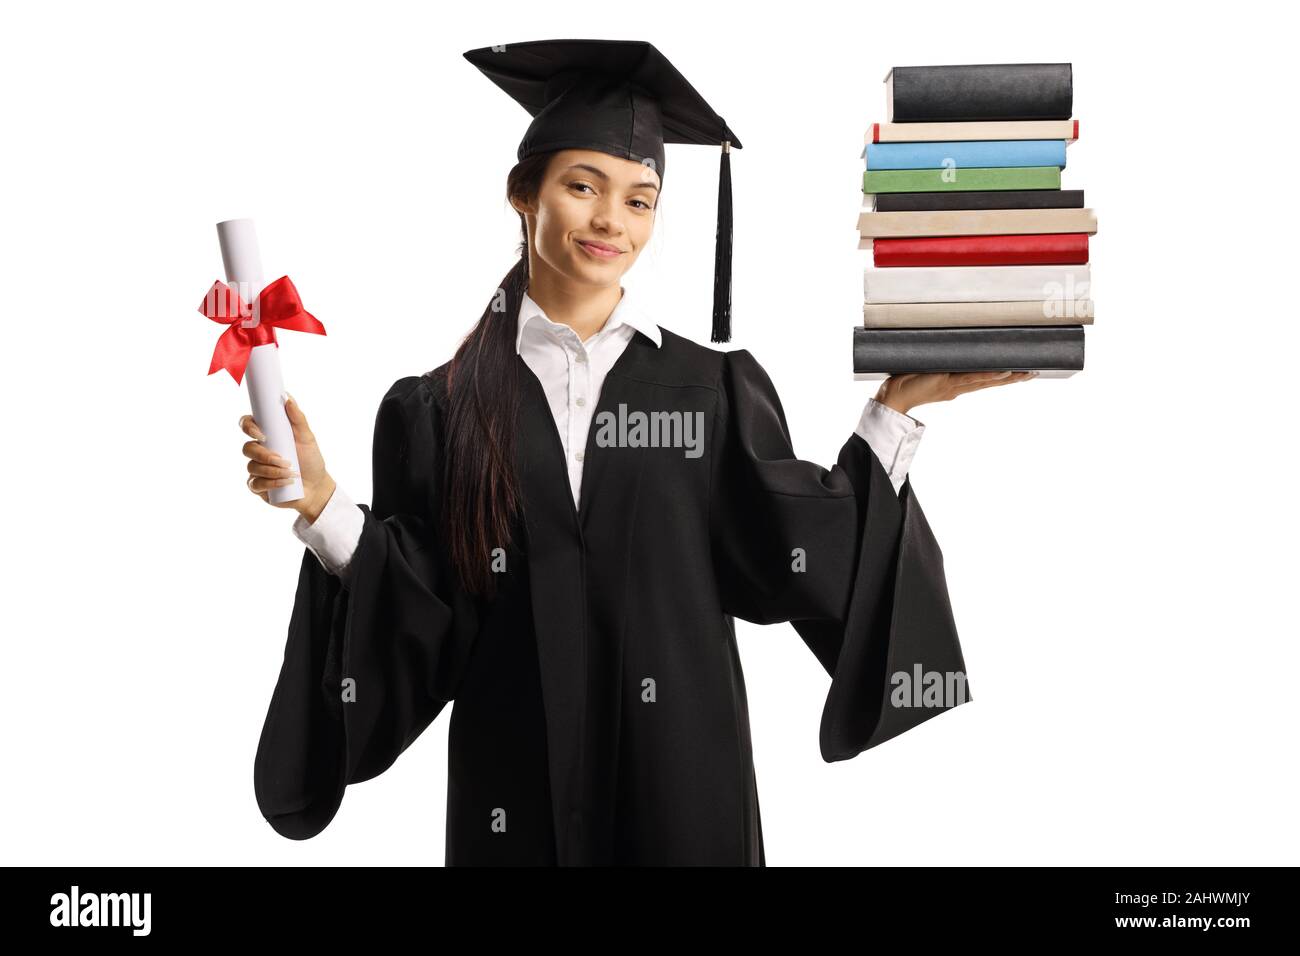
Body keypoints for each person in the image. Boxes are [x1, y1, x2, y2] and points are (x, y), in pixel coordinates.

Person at [241, 39, 1034, 866]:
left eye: (640, 199)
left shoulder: (711, 389)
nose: (611, 220)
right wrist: (323, 505)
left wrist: (894, 414)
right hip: (515, 799)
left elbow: (795, 543)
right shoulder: (437, 407)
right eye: (582, 186)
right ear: (524, 194)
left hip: (684, 795)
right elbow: (421, 609)